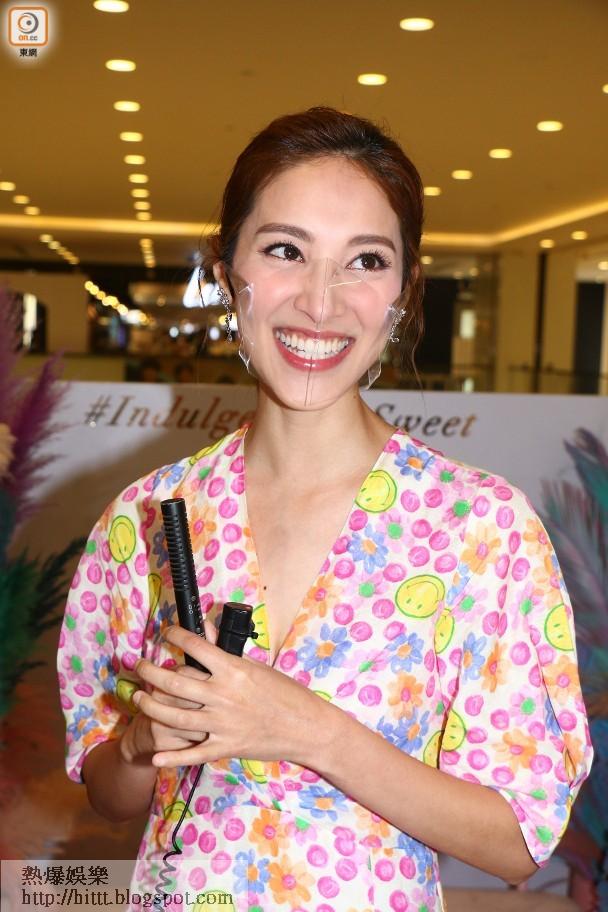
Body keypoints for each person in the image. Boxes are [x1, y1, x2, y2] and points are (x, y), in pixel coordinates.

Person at [57, 108, 593, 911]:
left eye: (364, 261)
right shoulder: (149, 519)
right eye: (285, 250)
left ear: (403, 291)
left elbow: (517, 842)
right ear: (226, 271)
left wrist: (310, 731)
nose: (320, 301)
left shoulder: (481, 529)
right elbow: (109, 794)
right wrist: (141, 743)